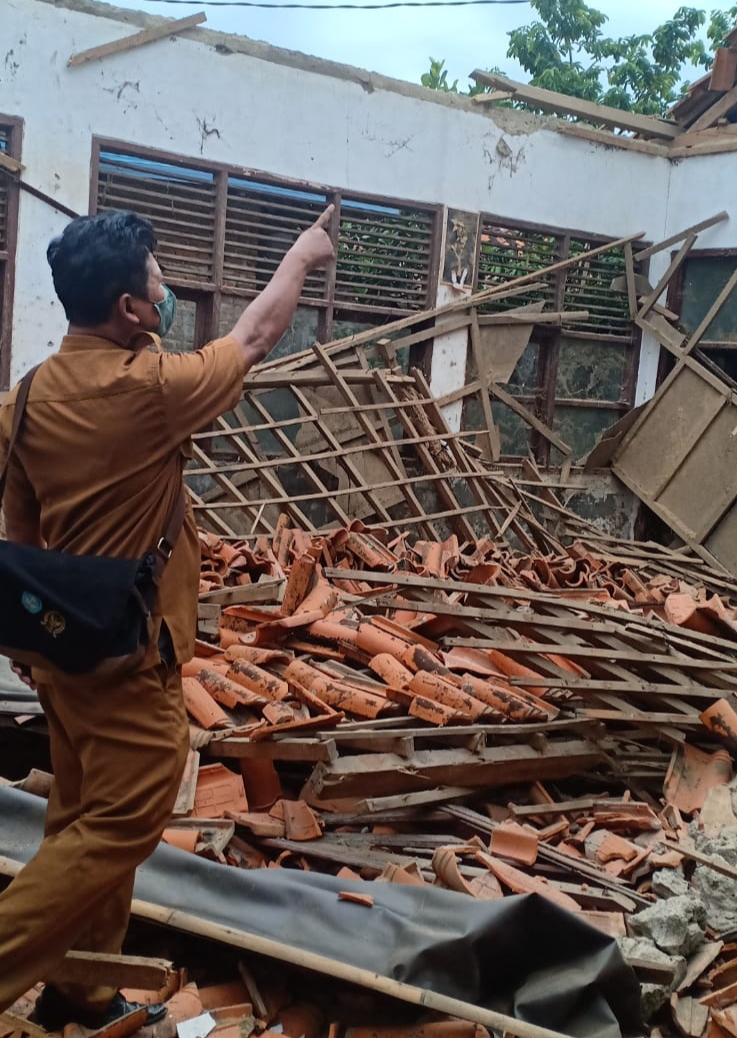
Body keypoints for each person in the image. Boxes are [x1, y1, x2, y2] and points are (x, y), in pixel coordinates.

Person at [0, 205, 335, 1029]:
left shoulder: (29, 396)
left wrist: (28, 633)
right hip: (125, 655)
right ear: (129, 310)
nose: (167, 291)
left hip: (62, 646)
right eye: (157, 280)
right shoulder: (147, 392)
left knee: (80, 820)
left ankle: (79, 990)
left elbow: (21, 524)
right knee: (126, 818)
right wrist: (302, 251)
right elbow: (253, 337)